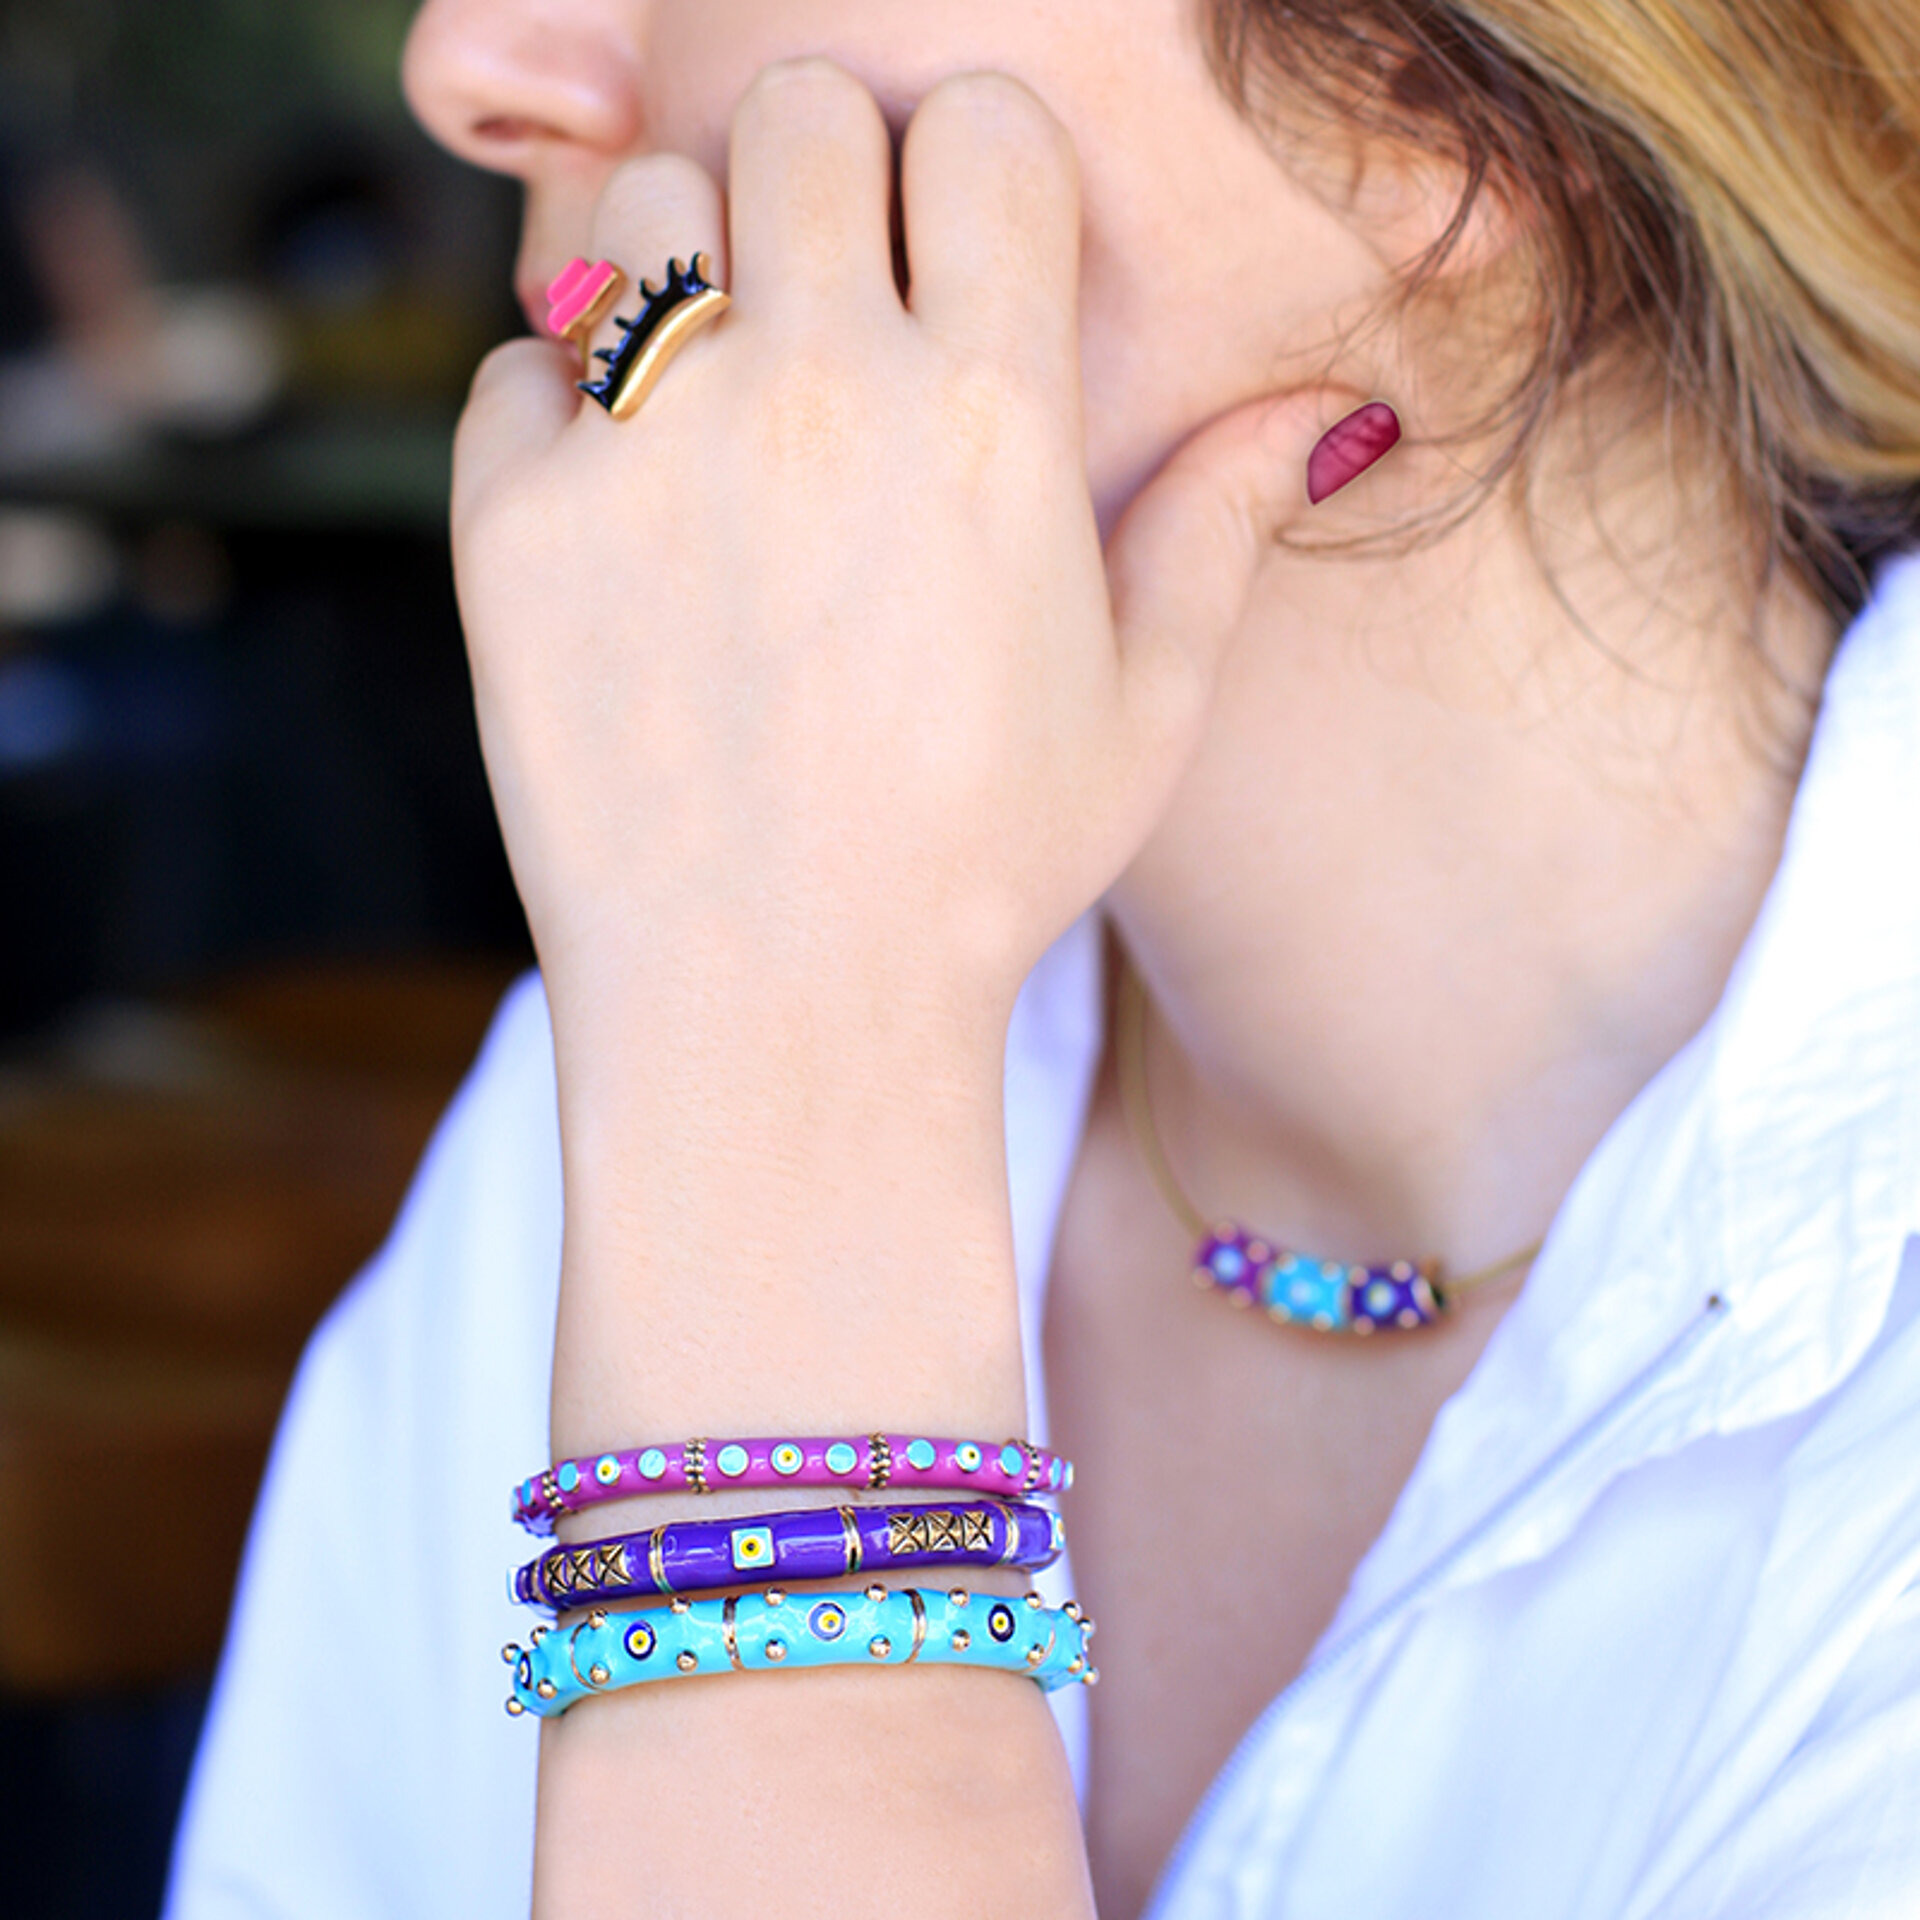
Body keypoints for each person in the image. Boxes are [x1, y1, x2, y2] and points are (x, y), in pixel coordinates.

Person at [165, 2, 1920, 1915]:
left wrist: (783, 1137)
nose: (470, 64)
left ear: (1435, 84)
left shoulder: (708, 1044)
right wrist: (768, 1062)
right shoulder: (633, 1071)